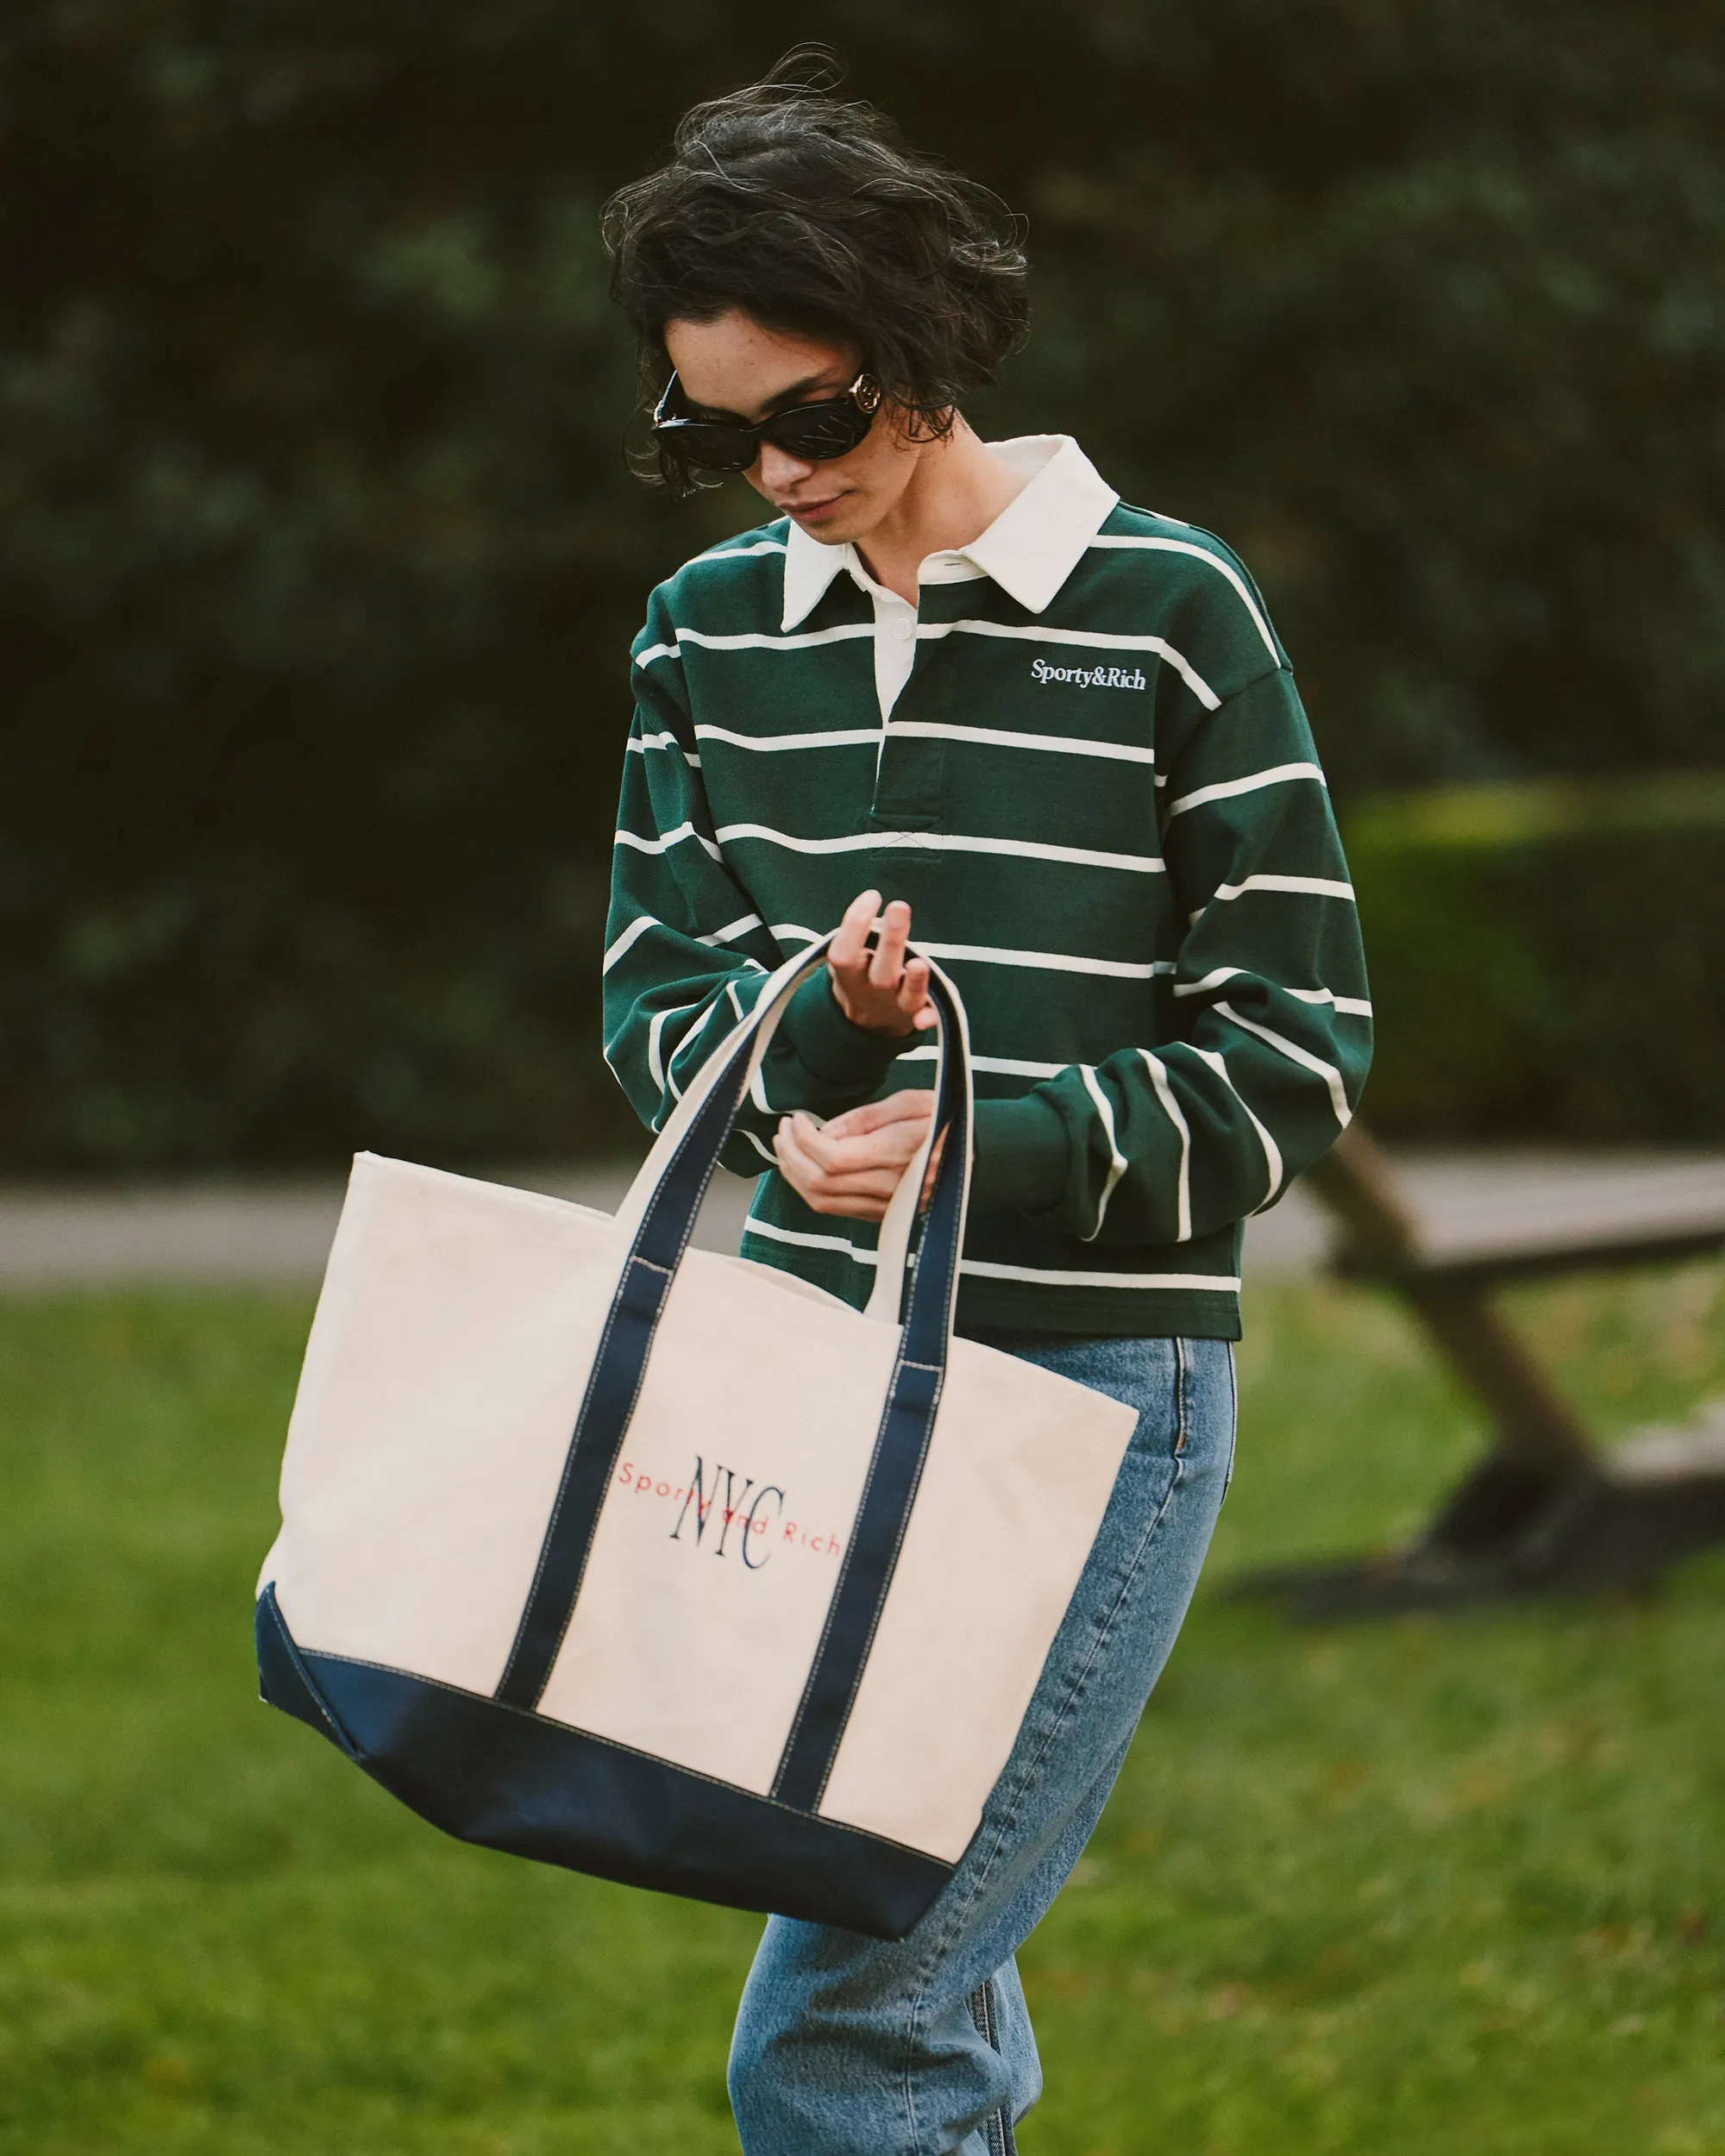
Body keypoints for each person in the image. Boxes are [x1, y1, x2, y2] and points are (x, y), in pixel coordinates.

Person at [599, 56, 1371, 2156]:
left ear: (922, 350)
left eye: (813, 417)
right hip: (807, 1390)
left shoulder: (1167, 613)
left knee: (849, 2029)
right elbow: (655, 993)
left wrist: (970, 1140)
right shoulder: (702, 639)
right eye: (712, 430)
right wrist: (803, 1091)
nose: (768, 472)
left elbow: (1293, 1047)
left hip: (1093, 1393)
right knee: (929, 2000)